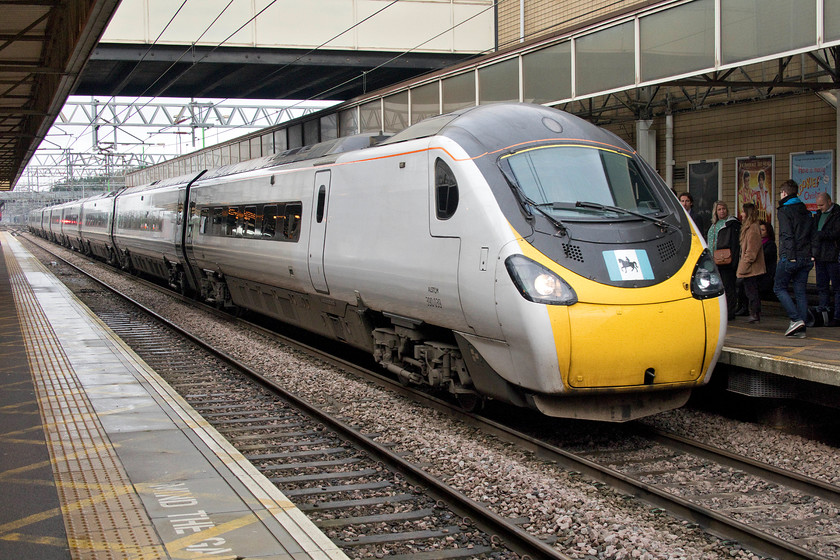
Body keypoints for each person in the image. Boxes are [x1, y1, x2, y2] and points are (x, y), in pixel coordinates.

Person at [773, 179, 814, 337]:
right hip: (806, 257)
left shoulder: (784, 210)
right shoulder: (806, 210)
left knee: (779, 287)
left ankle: (796, 319)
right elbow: (812, 235)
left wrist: (790, 256)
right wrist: (812, 255)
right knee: (800, 291)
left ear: (784, 193)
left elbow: (787, 234)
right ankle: (802, 325)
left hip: (790, 256)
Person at [707, 200, 741, 320]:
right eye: (719, 209)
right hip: (713, 260)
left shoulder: (730, 224)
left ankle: (730, 312)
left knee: (728, 286)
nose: (722, 211)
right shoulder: (713, 225)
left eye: (724, 209)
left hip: (726, 260)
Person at [812, 192, 840, 326]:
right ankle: (824, 312)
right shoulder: (817, 215)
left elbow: (836, 232)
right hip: (820, 255)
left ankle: (837, 316)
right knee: (822, 286)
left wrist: (820, 234)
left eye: (822, 205)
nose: (820, 208)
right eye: (818, 205)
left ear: (829, 201)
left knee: (836, 287)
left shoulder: (837, 214)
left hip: (833, 255)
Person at [736, 203, 765, 323]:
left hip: (752, 268)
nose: (741, 214)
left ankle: (755, 313)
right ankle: (753, 312)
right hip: (749, 266)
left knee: (752, 291)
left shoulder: (753, 229)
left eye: (743, 212)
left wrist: (743, 266)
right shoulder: (748, 227)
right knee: (748, 290)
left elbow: (751, 251)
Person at [758, 220, 777, 299]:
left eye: (763, 230)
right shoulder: (757, 242)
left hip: (766, 275)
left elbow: (764, 257)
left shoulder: (770, 244)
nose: (760, 232)